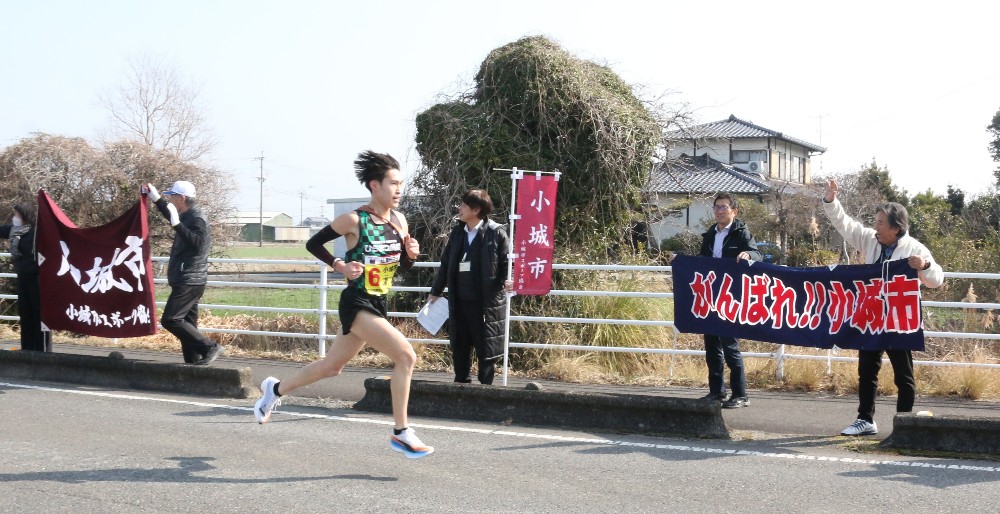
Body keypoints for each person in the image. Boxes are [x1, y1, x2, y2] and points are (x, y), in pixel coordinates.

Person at [254, 150, 433, 459]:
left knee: (332, 368)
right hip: (356, 301)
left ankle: (275, 390)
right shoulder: (354, 219)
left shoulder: (400, 221)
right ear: (374, 186)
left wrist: (410, 255)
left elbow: (399, 268)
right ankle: (401, 432)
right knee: (406, 356)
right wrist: (339, 265)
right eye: (393, 183)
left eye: (401, 184)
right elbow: (313, 243)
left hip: (378, 302)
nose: (399, 190)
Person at [822, 179, 944, 436]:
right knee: (867, 370)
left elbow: (937, 280)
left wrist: (924, 266)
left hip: (899, 320)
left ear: (896, 228)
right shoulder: (870, 240)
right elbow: (846, 225)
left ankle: (904, 424)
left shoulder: (915, 248)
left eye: (880, 223)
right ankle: (865, 419)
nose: (875, 227)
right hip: (871, 316)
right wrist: (832, 201)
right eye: (875, 222)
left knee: (904, 375)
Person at [428, 189, 512, 385]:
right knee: (460, 345)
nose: (460, 208)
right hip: (459, 300)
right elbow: (446, 263)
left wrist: (510, 279)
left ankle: (486, 390)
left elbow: (507, 263)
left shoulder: (496, 232)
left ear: (475, 210)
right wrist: (435, 291)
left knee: (486, 349)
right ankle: (461, 386)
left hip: (485, 303)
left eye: (464, 205)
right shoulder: (458, 232)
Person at [143, 180, 224, 366]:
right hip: (187, 278)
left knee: (171, 319)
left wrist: (177, 224)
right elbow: (171, 215)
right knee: (188, 325)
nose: (169, 198)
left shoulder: (197, 219)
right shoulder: (187, 214)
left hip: (190, 279)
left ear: (182, 198)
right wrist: (156, 199)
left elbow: (196, 244)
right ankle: (192, 364)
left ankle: (209, 347)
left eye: (172, 195)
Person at [696, 192, 762, 408]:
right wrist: (681, 260)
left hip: (731, 297)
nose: (720, 211)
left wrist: (748, 256)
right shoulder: (710, 234)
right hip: (710, 295)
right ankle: (716, 392)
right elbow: (701, 262)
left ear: (734, 211)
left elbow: (756, 253)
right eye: (717, 207)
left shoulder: (741, 232)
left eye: (724, 207)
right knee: (711, 345)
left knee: (730, 346)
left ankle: (741, 394)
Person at [0, 202, 50, 352]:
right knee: (25, 312)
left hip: (37, 278)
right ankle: (27, 348)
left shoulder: (37, 232)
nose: (14, 217)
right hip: (22, 276)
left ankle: (41, 348)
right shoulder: (14, 231)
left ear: (24, 216)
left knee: (38, 313)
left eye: (17, 215)